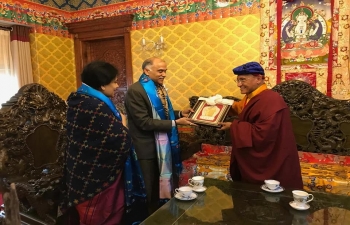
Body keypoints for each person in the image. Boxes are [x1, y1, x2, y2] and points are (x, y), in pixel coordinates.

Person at [59, 61, 147, 225]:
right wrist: (124, 123)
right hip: (96, 176)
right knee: (101, 217)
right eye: (113, 81)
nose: (117, 85)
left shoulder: (79, 98)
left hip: (81, 171)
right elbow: (119, 139)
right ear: (101, 85)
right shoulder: (94, 105)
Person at [125, 57, 194, 214]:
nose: (164, 74)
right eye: (160, 71)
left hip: (162, 145)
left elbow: (162, 113)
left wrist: (179, 113)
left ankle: (162, 214)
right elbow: (144, 122)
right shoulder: (136, 91)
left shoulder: (159, 89)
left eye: (165, 71)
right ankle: (148, 218)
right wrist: (176, 123)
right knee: (149, 188)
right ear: (146, 71)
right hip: (146, 148)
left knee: (159, 186)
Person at [219, 61, 303, 189]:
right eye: (237, 80)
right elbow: (242, 109)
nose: (238, 84)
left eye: (242, 80)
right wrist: (220, 105)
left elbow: (263, 133)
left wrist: (233, 126)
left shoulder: (270, 99)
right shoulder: (252, 97)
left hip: (272, 158)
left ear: (258, 79)